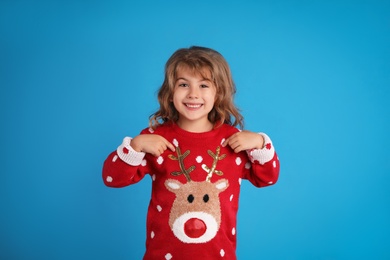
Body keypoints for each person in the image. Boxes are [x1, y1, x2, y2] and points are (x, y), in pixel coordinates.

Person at [102, 46, 280, 260]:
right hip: (162, 255)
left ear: (219, 92)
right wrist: (135, 146)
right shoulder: (155, 138)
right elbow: (112, 178)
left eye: (203, 85)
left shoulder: (234, 141)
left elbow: (267, 178)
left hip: (218, 255)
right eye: (184, 84)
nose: (193, 94)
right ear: (170, 92)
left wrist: (261, 144)